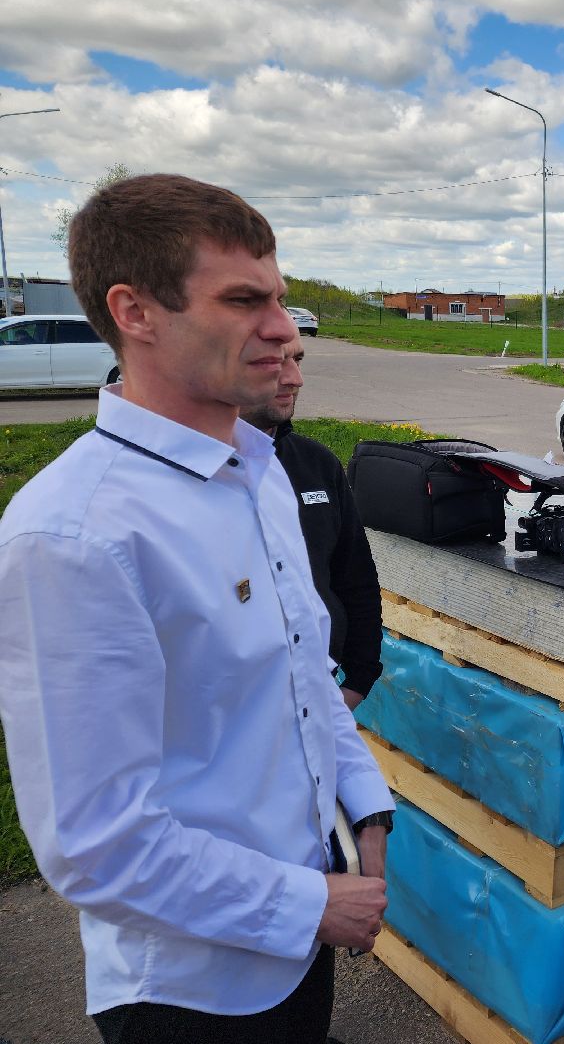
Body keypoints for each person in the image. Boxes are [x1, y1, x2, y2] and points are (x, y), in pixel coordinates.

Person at [0, 174, 394, 1044]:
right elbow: (94, 842)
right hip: (192, 992)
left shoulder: (258, 476)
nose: (285, 330)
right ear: (135, 311)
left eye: (281, 299)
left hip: (304, 927)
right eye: (245, 300)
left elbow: (305, 674)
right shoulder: (74, 534)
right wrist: (311, 904)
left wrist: (366, 807)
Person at [242, 338, 383, 711]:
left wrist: (358, 681)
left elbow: (355, 577)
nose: (295, 378)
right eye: (275, 362)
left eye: (298, 360)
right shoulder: (189, 479)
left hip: (319, 691)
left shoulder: (316, 463)